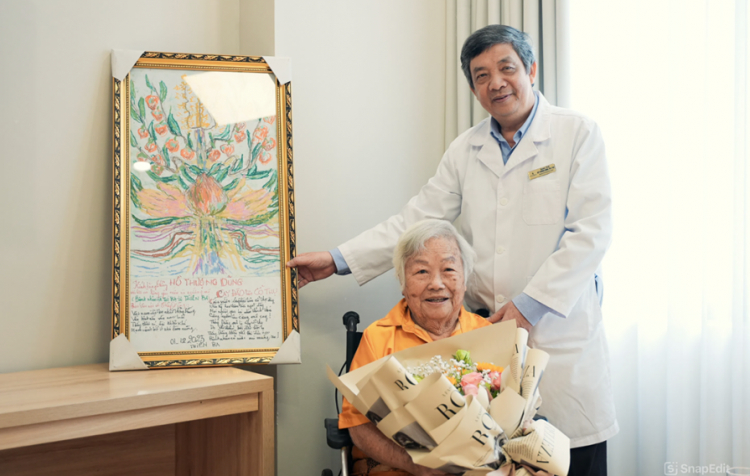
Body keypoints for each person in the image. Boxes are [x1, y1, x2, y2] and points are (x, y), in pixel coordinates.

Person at [290, 25, 616, 475]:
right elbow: (415, 222)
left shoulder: (576, 133)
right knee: (491, 459)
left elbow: (591, 233)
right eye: (481, 76)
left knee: (566, 457)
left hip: (559, 339)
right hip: (486, 335)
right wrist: (336, 259)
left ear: (531, 70)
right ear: (473, 89)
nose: (496, 83)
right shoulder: (466, 149)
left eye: (506, 68)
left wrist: (528, 306)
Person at [339, 219, 491, 476]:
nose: (436, 283)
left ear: (464, 280)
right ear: (403, 282)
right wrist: (416, 465)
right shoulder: (379, 337)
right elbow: (358, 425)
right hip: (396, 467)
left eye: (449, 269)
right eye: (421, 272)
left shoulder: (487, 335)